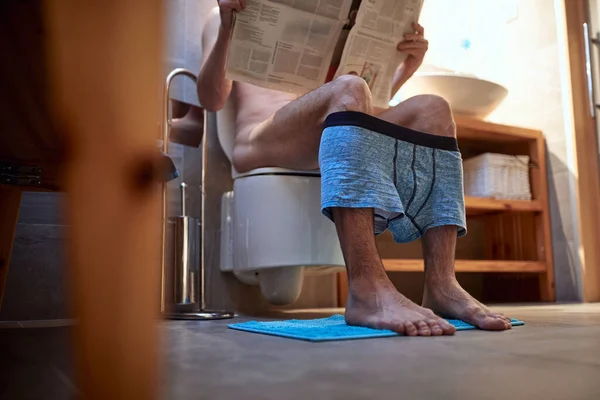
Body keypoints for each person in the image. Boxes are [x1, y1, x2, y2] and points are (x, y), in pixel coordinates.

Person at [176, 0, 513, 336]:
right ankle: (366, 288)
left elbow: (359, 112)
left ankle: (442, 284)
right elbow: (211, 99)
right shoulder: (230, 11)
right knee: (349, 88)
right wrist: (227, 27)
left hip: (324, 132)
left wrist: (406, 69)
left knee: (434, 110)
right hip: (261, 139)